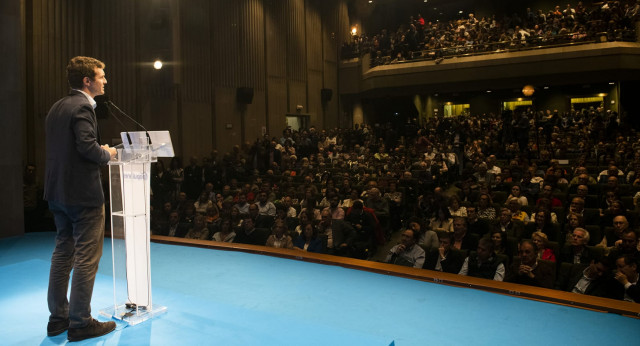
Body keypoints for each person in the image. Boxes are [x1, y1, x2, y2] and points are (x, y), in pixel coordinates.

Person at [44, 56, 117, 341]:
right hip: (83, 197)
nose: (105, 81)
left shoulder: (56, 107)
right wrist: (107, 153)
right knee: (87, 258)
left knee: (63, 254)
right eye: (101, 76)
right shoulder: (83, 108)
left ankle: (58, 319)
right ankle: (81, 322)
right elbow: (88, 149)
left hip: (57, 192)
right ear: (87, 81)